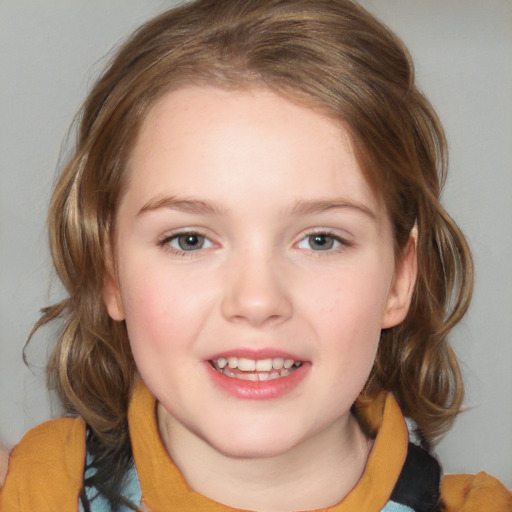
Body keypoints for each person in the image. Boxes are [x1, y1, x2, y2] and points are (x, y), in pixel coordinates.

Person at [0, 0, 510, 510]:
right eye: (190, 240)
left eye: (321, 240)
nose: (258, 300)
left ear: (400, 277)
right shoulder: (30, 493)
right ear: (110, 272)